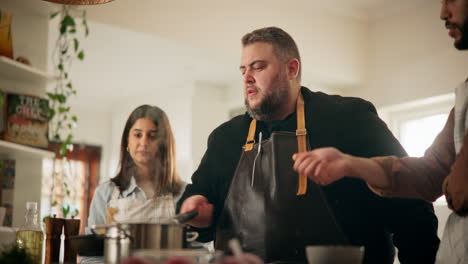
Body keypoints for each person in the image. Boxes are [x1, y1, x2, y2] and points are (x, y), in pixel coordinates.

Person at [178, 27, 439, 263]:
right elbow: (198, 208)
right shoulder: (225, 138)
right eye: (243, 70)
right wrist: (194, 210)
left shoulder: (349, 118)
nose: (247, 78)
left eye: (257, 67)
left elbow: (411, 209)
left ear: (292, 69)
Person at [292, 0, 468, 263]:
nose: (443, 12)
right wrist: (350, 164)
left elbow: (452, 190)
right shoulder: (465, 99)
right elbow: (431, 172)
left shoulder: (353, 114)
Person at [88, 104, 186, 228]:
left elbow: (195, 244)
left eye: (152, 136)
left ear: (164, 144)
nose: (144, 143)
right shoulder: (104, 193)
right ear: (127, 141)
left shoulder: (184, 193)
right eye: (138, 135)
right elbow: (93, 244)